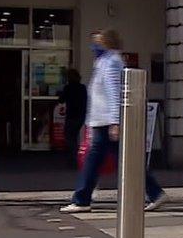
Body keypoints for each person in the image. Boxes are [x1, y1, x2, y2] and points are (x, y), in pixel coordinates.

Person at [60, 29, 167, 213]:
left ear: (107, 42)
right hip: (101, 121)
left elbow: (113, 92)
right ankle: (154, 192)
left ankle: (82, 199)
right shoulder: (105, 61)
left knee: (104, 161)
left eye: (97, 42)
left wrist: (115, 121)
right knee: (112, 161)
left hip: (106, 122)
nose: (94, 46)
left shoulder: (110, 62)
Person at [57, 69, 87, 167]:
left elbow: (61, 100)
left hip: (72, 115)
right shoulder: (82, 88)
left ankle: (74, 159)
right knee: (74, 136)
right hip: (81, 116)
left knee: (69, 137)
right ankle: (74, 158)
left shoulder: (68, 88)